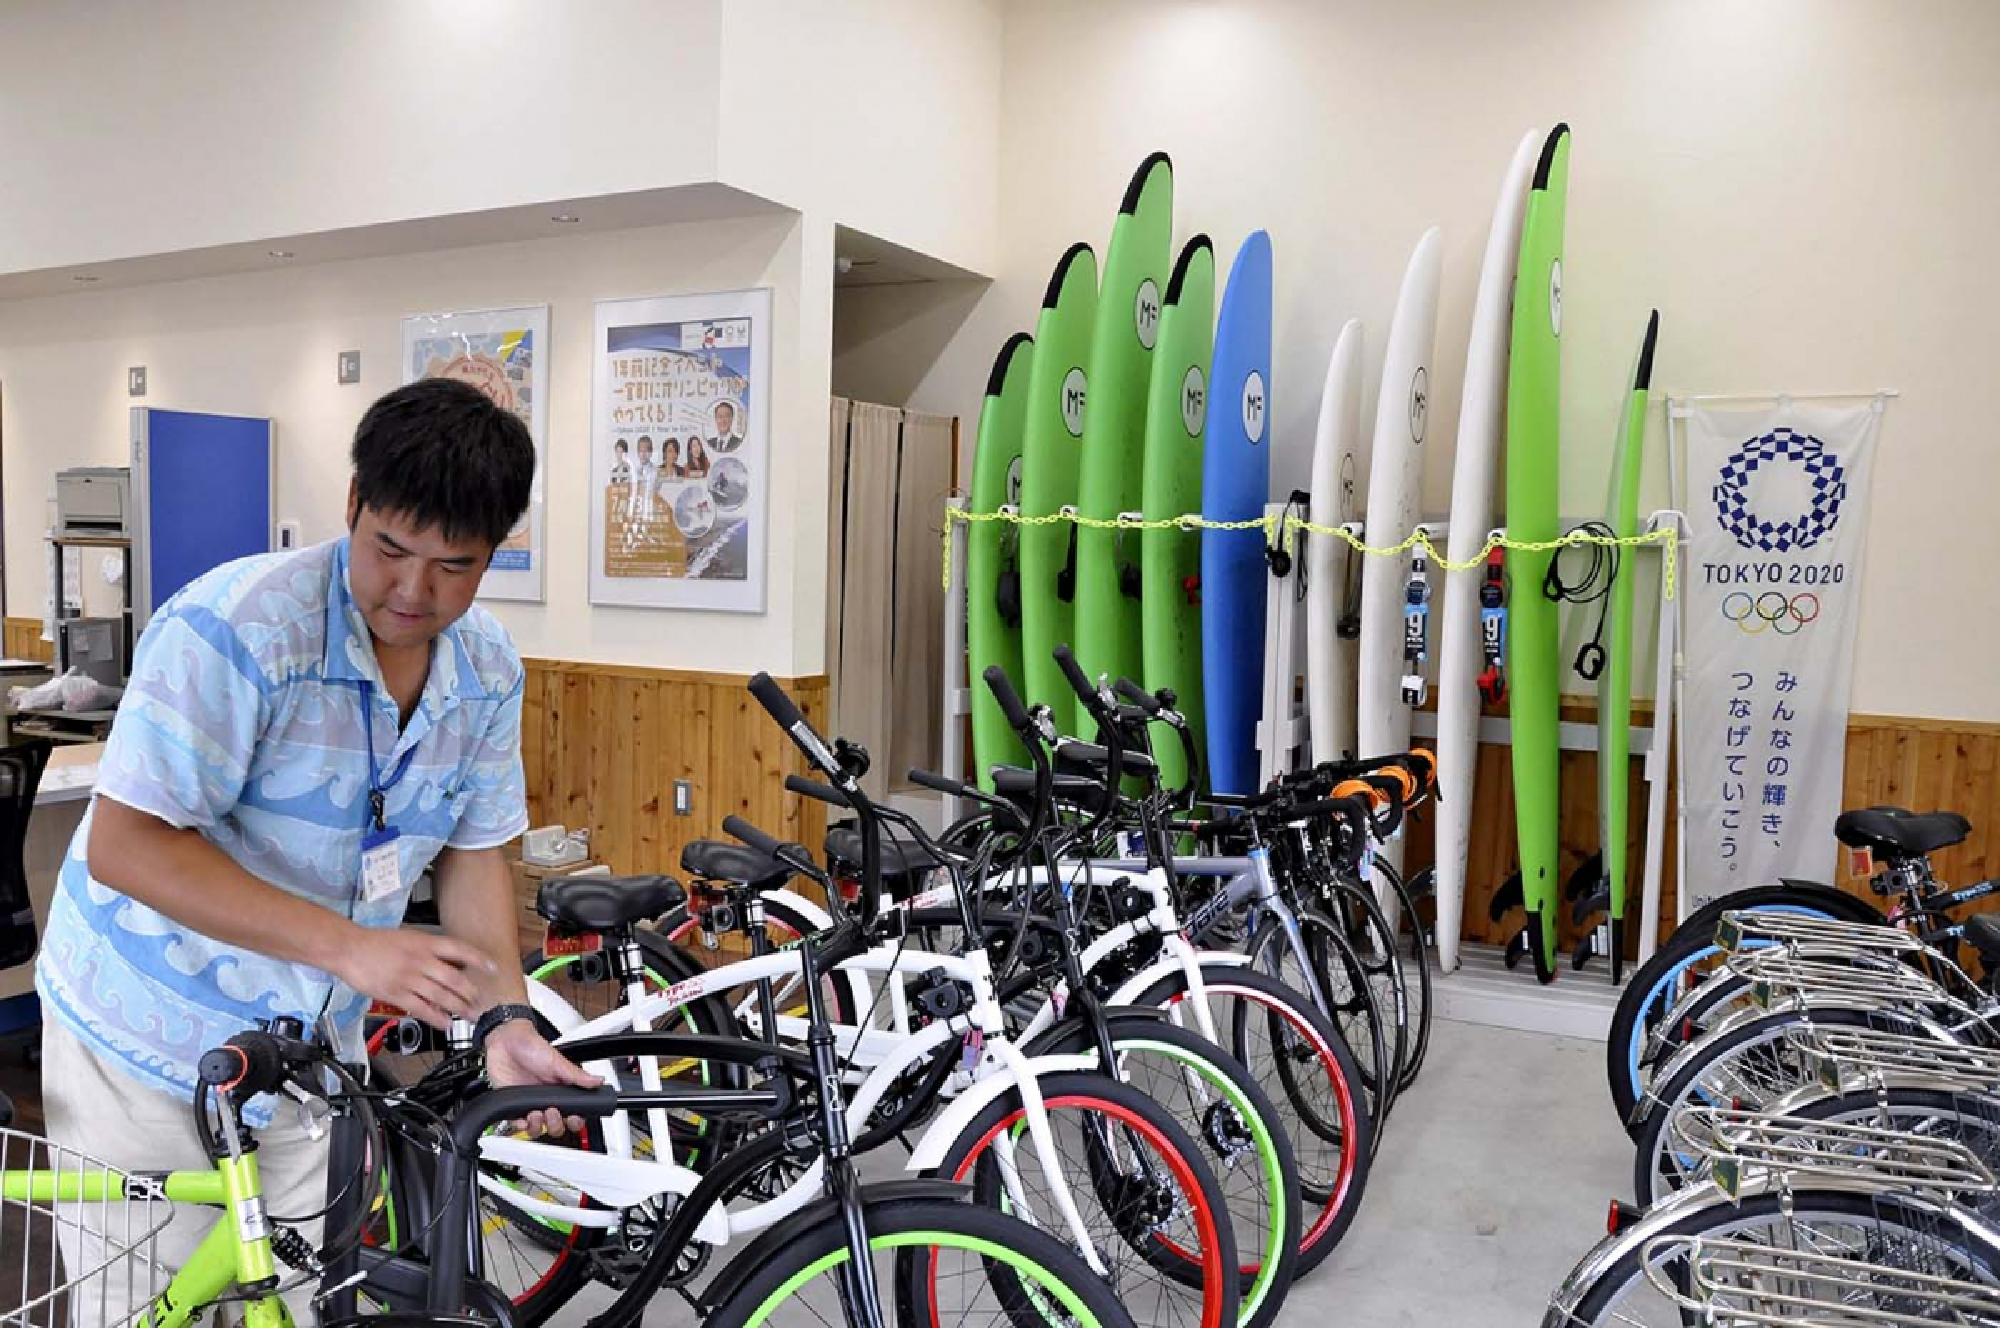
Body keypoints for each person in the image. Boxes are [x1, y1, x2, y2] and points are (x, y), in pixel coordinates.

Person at [36, 377, 599, 1321]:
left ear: (494, 554)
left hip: (305, 1057)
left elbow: (472, 853)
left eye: (453, 566)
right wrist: (354, 948)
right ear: (351, 508)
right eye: (390, 550)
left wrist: (504, 1017)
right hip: (143, 1038)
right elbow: (126, 847)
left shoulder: (488, 670)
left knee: (293, 1299)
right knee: (152, 1306)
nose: (413, 592)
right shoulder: (241, 629)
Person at [627, 434, 658, 550]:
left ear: (650, 453)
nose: (643, 454)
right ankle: (634, 542)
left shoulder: (654, 470)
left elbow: (651, 489)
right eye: (640, 451)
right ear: (637, 452)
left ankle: (646, 539)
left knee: (647, 521)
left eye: (646, 451)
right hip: (636, 503)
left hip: (648, 503)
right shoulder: (634, 470)